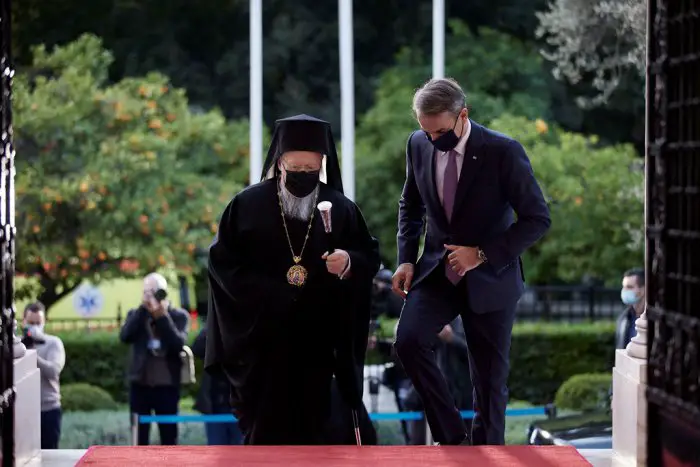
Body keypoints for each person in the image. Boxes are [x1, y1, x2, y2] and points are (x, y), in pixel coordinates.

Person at [392, 78, 551, 446]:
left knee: (489, 383)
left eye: (440, 131)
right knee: (408, 341)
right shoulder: (418, 144)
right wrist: (405, 260)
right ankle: (452, 440)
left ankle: (487, 454)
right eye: (425, 131)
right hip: (436, 271)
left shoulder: (503, 151)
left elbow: (537, 218)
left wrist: (480, 254)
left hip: (491, 277)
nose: (432, 139)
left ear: (463, 115)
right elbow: (410, 205)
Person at [205, 114, 381, 445]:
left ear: (322, 166)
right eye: (295, 170)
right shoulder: (246, 206)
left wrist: (348, 262)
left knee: (321, 437)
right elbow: (222, 265)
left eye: (310, 171)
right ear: (280, 164)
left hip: (319, 344)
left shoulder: (341, 209)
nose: (302, 177)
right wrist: (272, 294)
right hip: (263, 342)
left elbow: (368, 256)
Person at [119, 272, 190, 445]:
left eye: (154, 291)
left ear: (164, 292)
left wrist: (162, 316)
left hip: (167, 386)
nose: (150, 295)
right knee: (139, 437)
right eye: (146, 291)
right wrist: (144, 310)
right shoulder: (136, 314)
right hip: (140, 385)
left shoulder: (178, 316)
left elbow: (178, 343)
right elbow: (125, 336)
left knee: (168, 437)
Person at [21, 302, 65, 449]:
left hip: (48, 409)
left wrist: (32, 353)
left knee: (49, 455)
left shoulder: (53, 343)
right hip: (23, 410)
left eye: (38, 323)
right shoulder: (18, 345)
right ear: (24, 321)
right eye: (31, 323)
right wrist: (22, 348)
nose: (34, 327)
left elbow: (53, 371)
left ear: (44, 322)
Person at [192, 323, 243, 445]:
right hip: (215, 404)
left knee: (243, 455)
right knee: (217, 453)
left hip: (242, 405)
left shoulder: (248, 325)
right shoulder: (212, 326)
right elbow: (197, 349)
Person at [615, 268, 645, 349]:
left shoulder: (654, 319)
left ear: (643, 289)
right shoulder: (624, 317)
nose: (624, 291)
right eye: (624, 287)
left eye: (629, 287)